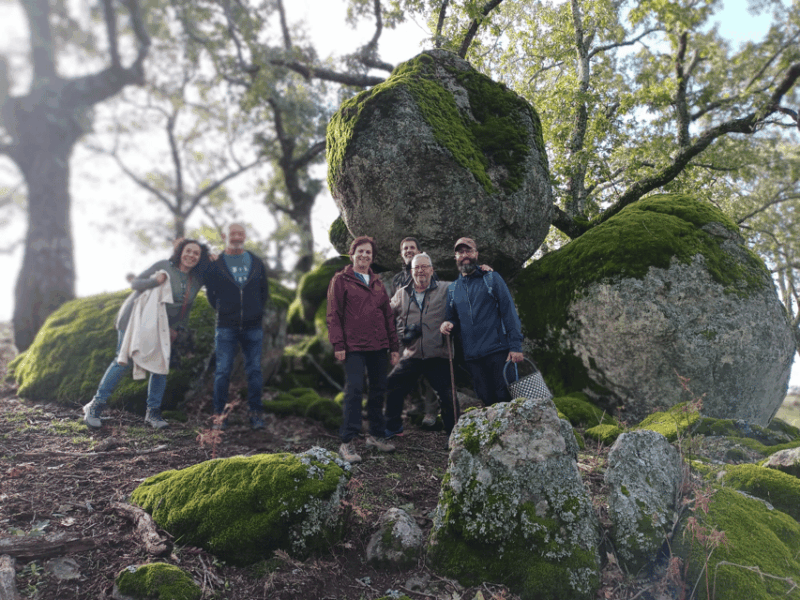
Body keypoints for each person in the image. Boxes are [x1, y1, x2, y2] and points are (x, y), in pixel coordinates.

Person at [83, 239, 212, 429]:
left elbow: (186, 307)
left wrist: (177, 329)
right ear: (180, 251)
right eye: (188, 251)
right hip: (135, 317)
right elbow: (135, 284)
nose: (191, 256)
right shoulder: (163, 265)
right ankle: (95, 406)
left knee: (161, 366)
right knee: (122, 360)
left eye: (196, 253)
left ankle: (153, 413)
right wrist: (154, 281)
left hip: (160, 325)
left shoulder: (196, 279)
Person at [327, 235, 400, 463]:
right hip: (353, 347)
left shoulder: (377, 284)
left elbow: (388, 316)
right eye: (361, 251)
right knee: (355, 391)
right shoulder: (340, 280)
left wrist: (394, 347)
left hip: (378, 346)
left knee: (379, 390)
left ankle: (376, 435)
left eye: (368, 252)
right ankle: (347, 442)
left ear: (372, 257)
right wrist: (338, 344)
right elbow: (333, 314)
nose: (365, 255)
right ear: (352, 254)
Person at [440, 237, 524, 406]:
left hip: (499, 352)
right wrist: (447, 324)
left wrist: (515, 346)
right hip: (472, 357)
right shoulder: (453, 289)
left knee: (506, 400)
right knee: (487, 401)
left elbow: (509, 312)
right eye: (460, 252)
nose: (465, 255)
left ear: (476, 254)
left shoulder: (492, 278)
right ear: (455, 257)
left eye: (468, 251)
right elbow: (453, 319)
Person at [205, 223, 270, 430]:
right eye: (233, 233)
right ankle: (219, 416)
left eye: (240, 233)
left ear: (245, 236)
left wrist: (256, 311)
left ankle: (256, 414)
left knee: (254, 371)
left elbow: (264, 291)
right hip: (226, 326)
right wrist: (226, 310)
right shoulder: (216, 265)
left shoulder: (256, 261)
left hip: (253, 326)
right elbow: (211, 295)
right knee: (223, 371)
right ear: (225, 235)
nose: (237, 236)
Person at [386, 253, 458, 439]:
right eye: (416, 267)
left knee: (448, 396)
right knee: (393, 384)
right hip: (413, 355)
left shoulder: (447, 289)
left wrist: (483, 271)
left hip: (439, 354)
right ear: (411, 272)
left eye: (424, 266)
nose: (420, 270)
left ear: (432, 270)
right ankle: (393, 427)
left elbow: (467, 294)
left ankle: (455, 436)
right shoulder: (402, 293)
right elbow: (385, 312)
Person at [388, 237, 439, 427]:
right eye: (405, 248)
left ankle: (431, 412)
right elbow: (394, 307)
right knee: (404, 370)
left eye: (412, 247)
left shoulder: (429, 273)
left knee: (428, 373)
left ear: (419, 251)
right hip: (404, 333)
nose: (408, 250)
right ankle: (416, 404)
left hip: (426, 331)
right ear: (401, 254)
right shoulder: (397, 280)